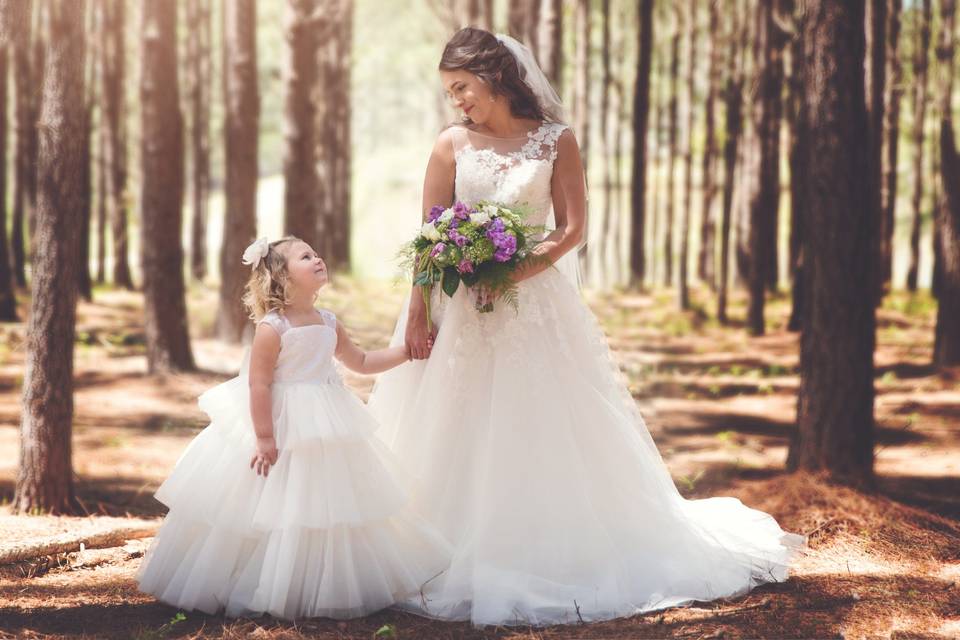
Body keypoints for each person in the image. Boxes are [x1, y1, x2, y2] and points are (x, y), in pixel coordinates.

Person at [368, 27, 808, 627]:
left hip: (532, 303)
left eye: (462, 88)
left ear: (493, 78)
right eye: (450, 93)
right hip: (457, 305)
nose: (458, 102)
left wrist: (517, 270)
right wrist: (418, 312)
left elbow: (572, 229)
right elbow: (430, 230)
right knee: (448, 417)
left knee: (536, 419)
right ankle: (436, 547)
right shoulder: (451, 144)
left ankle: (534, 544)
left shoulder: (555, 141)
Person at [137, 236, 451, 621]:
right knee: (272, 503)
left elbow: (363, 361)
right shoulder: (273, 328)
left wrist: (407, 351)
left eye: (316, 253)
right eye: (306, 256)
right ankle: (257, 580)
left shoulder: (329, 322)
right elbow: (259, 384)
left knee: (322, 503)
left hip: (325, 422)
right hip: (282, 421)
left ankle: (317, 581)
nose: (318, 258)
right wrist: (264, 436)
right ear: (283, 277)